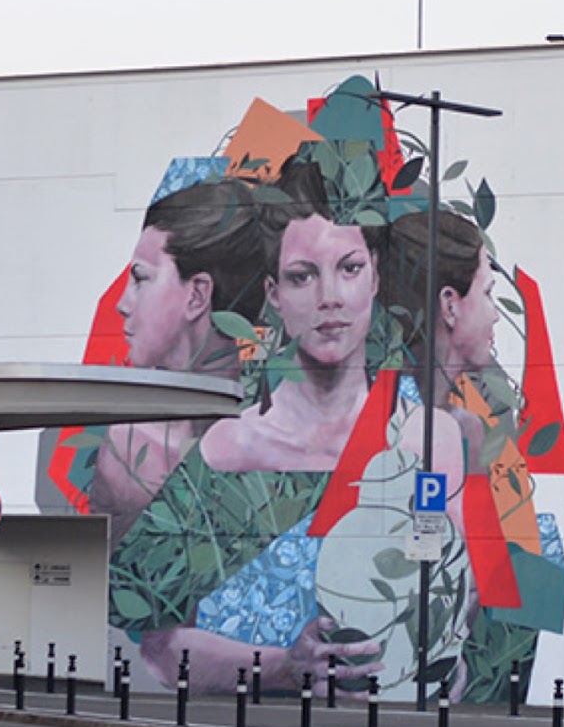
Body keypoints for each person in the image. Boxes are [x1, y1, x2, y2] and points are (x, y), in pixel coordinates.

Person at [113, 157, 387, 692]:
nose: (329, 297)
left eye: (350, 268)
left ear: (376, 276)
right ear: (274, 293)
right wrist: (283, 666)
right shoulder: (227, 451)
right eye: (302, 276)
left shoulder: (428, 439)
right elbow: (157, 643)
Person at [88, 178, 265, 543]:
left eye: (140, 279)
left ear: (197, 295)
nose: (122, 304)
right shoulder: (125, 446)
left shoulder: (274, 440)